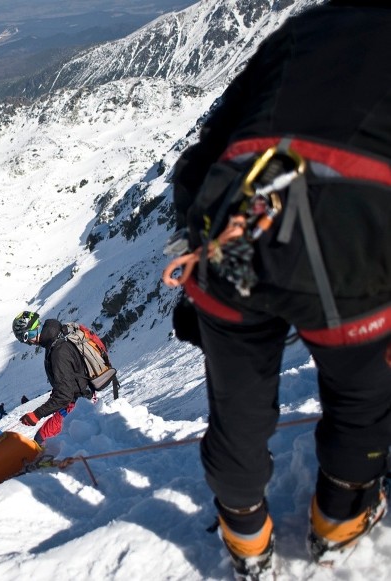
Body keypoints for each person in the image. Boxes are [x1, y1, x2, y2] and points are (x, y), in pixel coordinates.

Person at [164, 2, 391, 578]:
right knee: (362, 401)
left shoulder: (307, 26)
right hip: (354, 241)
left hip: (238, 223)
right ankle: (339, 519)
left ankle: (245, 537)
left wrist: (200, 260)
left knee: (237, 411)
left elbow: (207, 147)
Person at [11, 311, 94, 443]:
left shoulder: (58, 352)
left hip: (78, 404)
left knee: (41, 439)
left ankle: (59, 463)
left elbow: (65, 395)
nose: (30, 343)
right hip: (79, 398)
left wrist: (36, 415)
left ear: (31, 332)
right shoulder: (56, 339)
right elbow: (67, 380)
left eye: (26, 338)